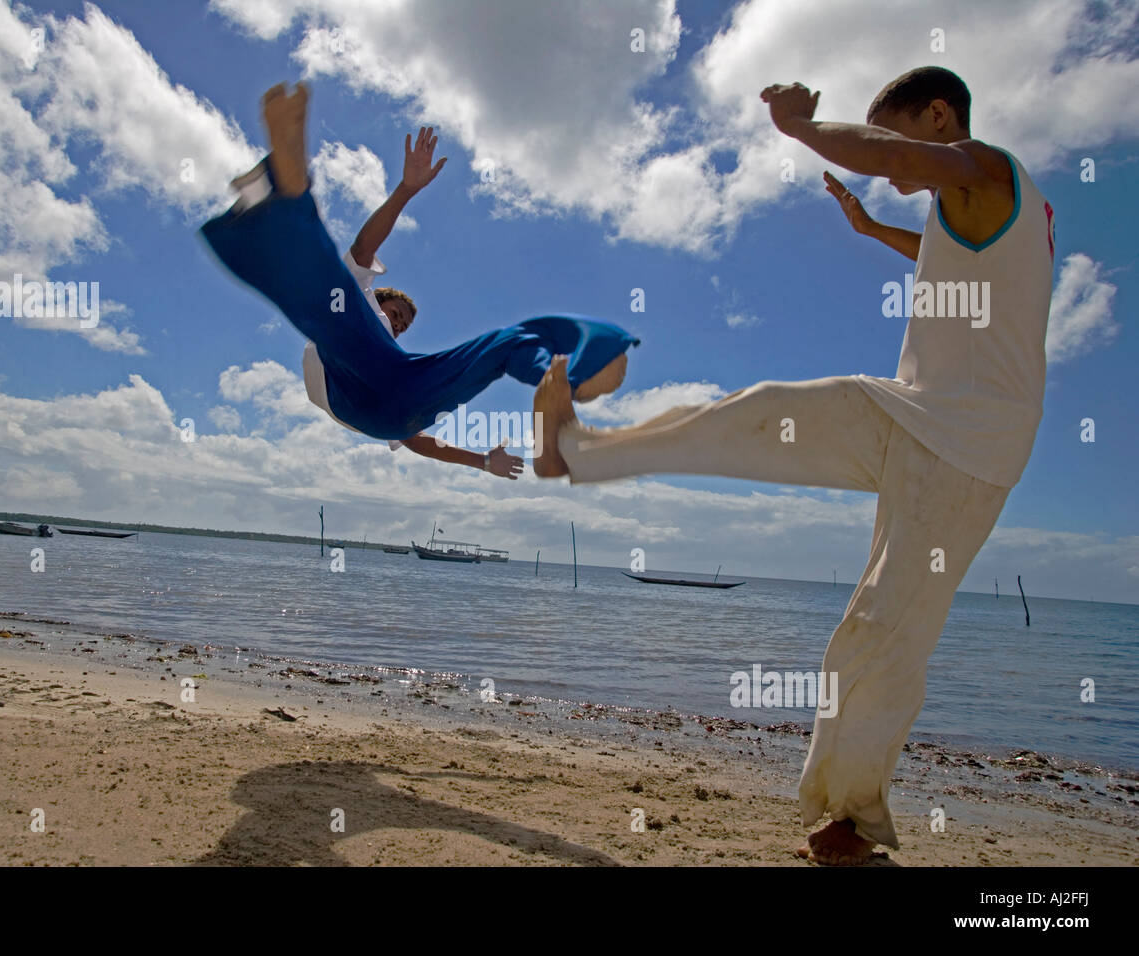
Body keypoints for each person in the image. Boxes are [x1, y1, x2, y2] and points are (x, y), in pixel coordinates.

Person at [533, 67, 1054, 864]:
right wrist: (871, 229)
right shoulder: (973, 217)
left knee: (880, 633)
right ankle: (579, 454)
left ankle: (848, 822)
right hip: (910, 410)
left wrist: (805, 131)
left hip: (973, 446)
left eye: (903, 145)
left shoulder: (990, 168)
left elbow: (895, 162)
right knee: (762, 410)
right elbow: (939, 259)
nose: (898, 171)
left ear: (942, 115)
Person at [201, 82, 638, 479]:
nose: (400, 324)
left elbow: (419, 441)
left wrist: (483, 461)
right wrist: (406, 190)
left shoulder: (397, 359)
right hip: (346, 382)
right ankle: (286, 197)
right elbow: (366, 245)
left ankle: (564, 381)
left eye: (405, 324)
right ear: (381, 297)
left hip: (395, 404)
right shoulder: (359, 297)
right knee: (339, 302)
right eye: (396, 314)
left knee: (509, 340)